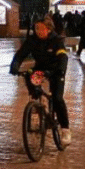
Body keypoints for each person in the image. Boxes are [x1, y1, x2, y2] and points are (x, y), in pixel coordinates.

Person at [10, 15, 70, 145]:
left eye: (41, 28)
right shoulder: (32, 40)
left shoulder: (56, 40)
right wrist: (14, 66)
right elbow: (21, 54)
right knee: (29, 76)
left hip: (55, 70)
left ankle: (65, 130)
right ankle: (40, 103)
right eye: (36, 28)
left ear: (48, 29)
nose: (38, 31)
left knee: (57, 98)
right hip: (40, 69)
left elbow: (63, 57)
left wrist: (60, 70)